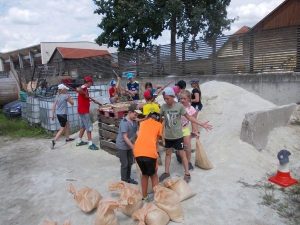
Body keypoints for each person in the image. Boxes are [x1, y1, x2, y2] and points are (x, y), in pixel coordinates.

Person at [159, 87, 212, 183]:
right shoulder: (163, 107)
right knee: (168, 154)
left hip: (180, 133)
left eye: (167, 98)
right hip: (169, 136)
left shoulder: (180, 107)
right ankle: (166, 172)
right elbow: (161, 120)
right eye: (164, 99)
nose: (166, 100)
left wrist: (201, 124)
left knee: (184, 150)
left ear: (172, 97)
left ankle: (187, 172)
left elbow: (190, 118)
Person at [133, 112, 162, 200]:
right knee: (154, 175)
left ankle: (144, 197)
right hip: (149, 153)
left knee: (145, 175)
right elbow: (157, 141)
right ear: (158, 119)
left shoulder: (142, 123)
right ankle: (157, 197)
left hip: (137, 152)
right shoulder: (159, 125)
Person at [116, 103, 141, 184]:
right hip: (122, 146)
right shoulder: (124, 122)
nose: (136, 116)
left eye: (137, 114)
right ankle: (123, 181)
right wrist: (133, 147)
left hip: (129, 145)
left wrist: (141, 140)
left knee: (130, 162)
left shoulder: (134, 121)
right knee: (125, 164)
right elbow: (125, 137)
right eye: (135, 114)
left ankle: (128, 178)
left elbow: (137, 131)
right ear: (130, 112)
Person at [76, 75, 99, 150]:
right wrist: (84, 93)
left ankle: (79, 141)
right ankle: (90, 144)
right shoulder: (83, 87)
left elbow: (85, 98)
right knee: (89, 126)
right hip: (83, 111)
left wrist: (92, 100)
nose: (91, 84)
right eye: (91, 83)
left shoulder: (85, 89)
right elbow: (78, 89)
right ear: (88, 82)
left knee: (83, 126)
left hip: (82, 110)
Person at [50, 84, 74, 149]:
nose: (66, 90)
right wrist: (70, 98)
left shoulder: (57, 96)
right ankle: (54, 141)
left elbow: (54, 106)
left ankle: (67, 138)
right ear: (63, 89)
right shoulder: (66, 96)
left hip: (58, 114)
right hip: (63, 114)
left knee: (67, 124)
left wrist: (52, 115)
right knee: (62, 128)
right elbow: (72, 103)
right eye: (65, 89)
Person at [179, 90, 197, 170]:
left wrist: (194, 130)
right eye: (181, 98)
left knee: (188, 147)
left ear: (189, 99)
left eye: (184, 99)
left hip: (185, 128)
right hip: (177, 130)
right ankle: (178, 155)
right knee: (179, 146)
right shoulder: (177, 106)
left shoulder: (191, 109)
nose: (182, 100)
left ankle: (188, 161)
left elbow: (193, 120)